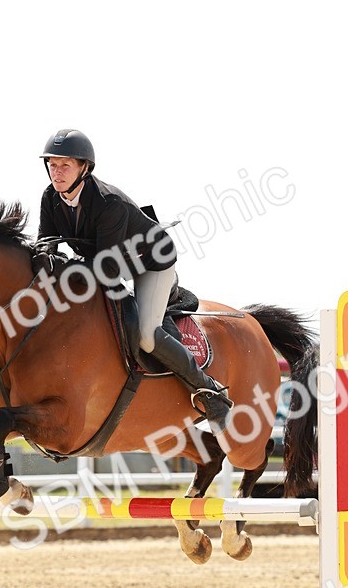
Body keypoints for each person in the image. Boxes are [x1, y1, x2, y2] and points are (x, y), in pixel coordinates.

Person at [33, 128, 232, 429]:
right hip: (109, 259)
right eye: (52, 165)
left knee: (147, 336)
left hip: (150, 261)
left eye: (65, 165)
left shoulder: (107, 204)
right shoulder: (50, 197)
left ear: (84, 168)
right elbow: (45, 245)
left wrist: (62, 265)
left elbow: (107, 271)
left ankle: (209, 391)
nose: (56, 173)